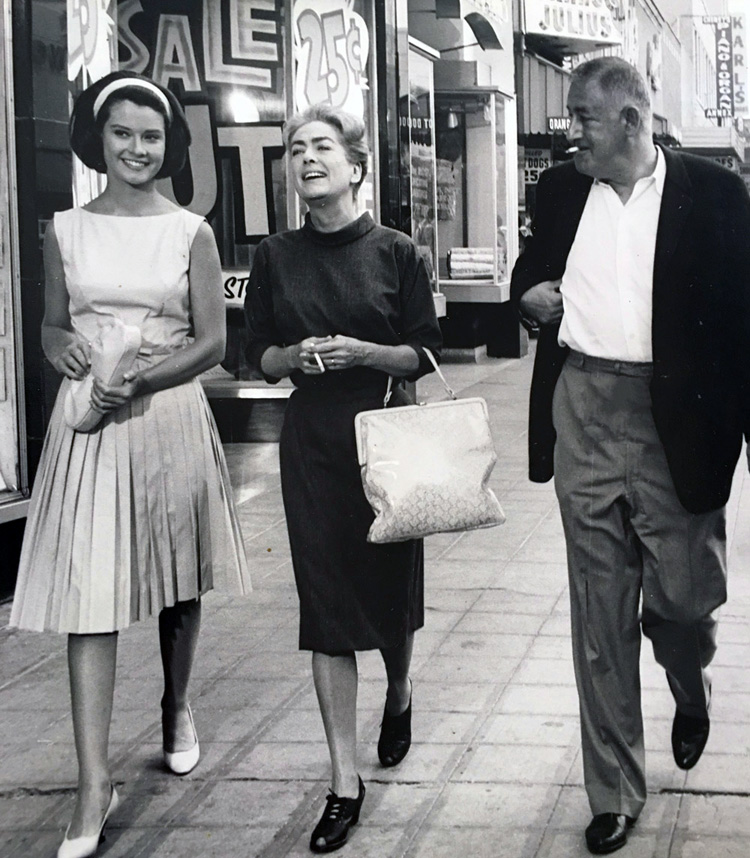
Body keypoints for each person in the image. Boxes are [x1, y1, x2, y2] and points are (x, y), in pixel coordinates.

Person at [510, 57, 750, 855]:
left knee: (683, 604)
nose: (567, 128)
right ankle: (613, 790)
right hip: (583, 407)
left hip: (675, 418)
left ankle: (689, 683)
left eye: (581, 116)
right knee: (597, 612)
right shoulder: (559, 190)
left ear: (631, 121)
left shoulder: (715, 197)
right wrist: (527, 296)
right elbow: (534, 274)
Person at [9, 71, 250, 858]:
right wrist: (61, 347)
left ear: (169, 145)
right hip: (88, 423)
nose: (137, 149)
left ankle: (177, 705)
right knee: (91, 593)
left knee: (174, 583)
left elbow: (213, 343)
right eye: (123, 133)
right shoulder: (65, 229)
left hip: (165, 411)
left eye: (152, 136)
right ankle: (91, 783)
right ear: (97, 138)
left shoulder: (191, 231)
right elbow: (49, 327)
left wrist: (142, 377)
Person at [244, 104, 442, 853]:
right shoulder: (274, 256)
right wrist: (291, 361)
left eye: (322, 146)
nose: (306, 159)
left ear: (356, 166)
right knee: (325, 606)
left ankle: (399, 690)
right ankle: (342, 781)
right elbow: (255, 351)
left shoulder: (396, 251)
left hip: (386, 436)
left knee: (389, 596)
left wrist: (363, 352)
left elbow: (425, 354)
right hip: (313, 442)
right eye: (295, 149)